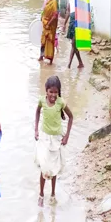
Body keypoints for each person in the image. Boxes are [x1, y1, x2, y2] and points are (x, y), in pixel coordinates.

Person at [34, 75, 73, 207]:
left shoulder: (61, 102)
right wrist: (36, 129)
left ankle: (52, 194)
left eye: (56, 92)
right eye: (51, 92)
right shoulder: (42, 101)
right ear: (46, 91)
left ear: (59, 92)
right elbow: (37, 112)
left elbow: (71, 117)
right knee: (44, 168)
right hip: (44, 138)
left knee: (54, 168)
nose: (53, 95)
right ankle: (41, 194)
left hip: (56, 139)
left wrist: (67, 135)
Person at [65, 0, 85, 69]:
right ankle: (80, 63)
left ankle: (69, 64)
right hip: (72, 22)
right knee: (74, 44)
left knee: (73, 43)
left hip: (78, 22)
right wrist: (64, 24)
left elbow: (83, 10)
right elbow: (68, 11)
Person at [39, 0, 59, 64]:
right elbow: (44, 11)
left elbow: (55, 15)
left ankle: (50, 60)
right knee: (43, 41)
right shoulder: (49, 1)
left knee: (50, 42)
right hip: (45, 25)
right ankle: (41, 56)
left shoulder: (54, 2)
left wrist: (49, 24)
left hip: (50, 26)